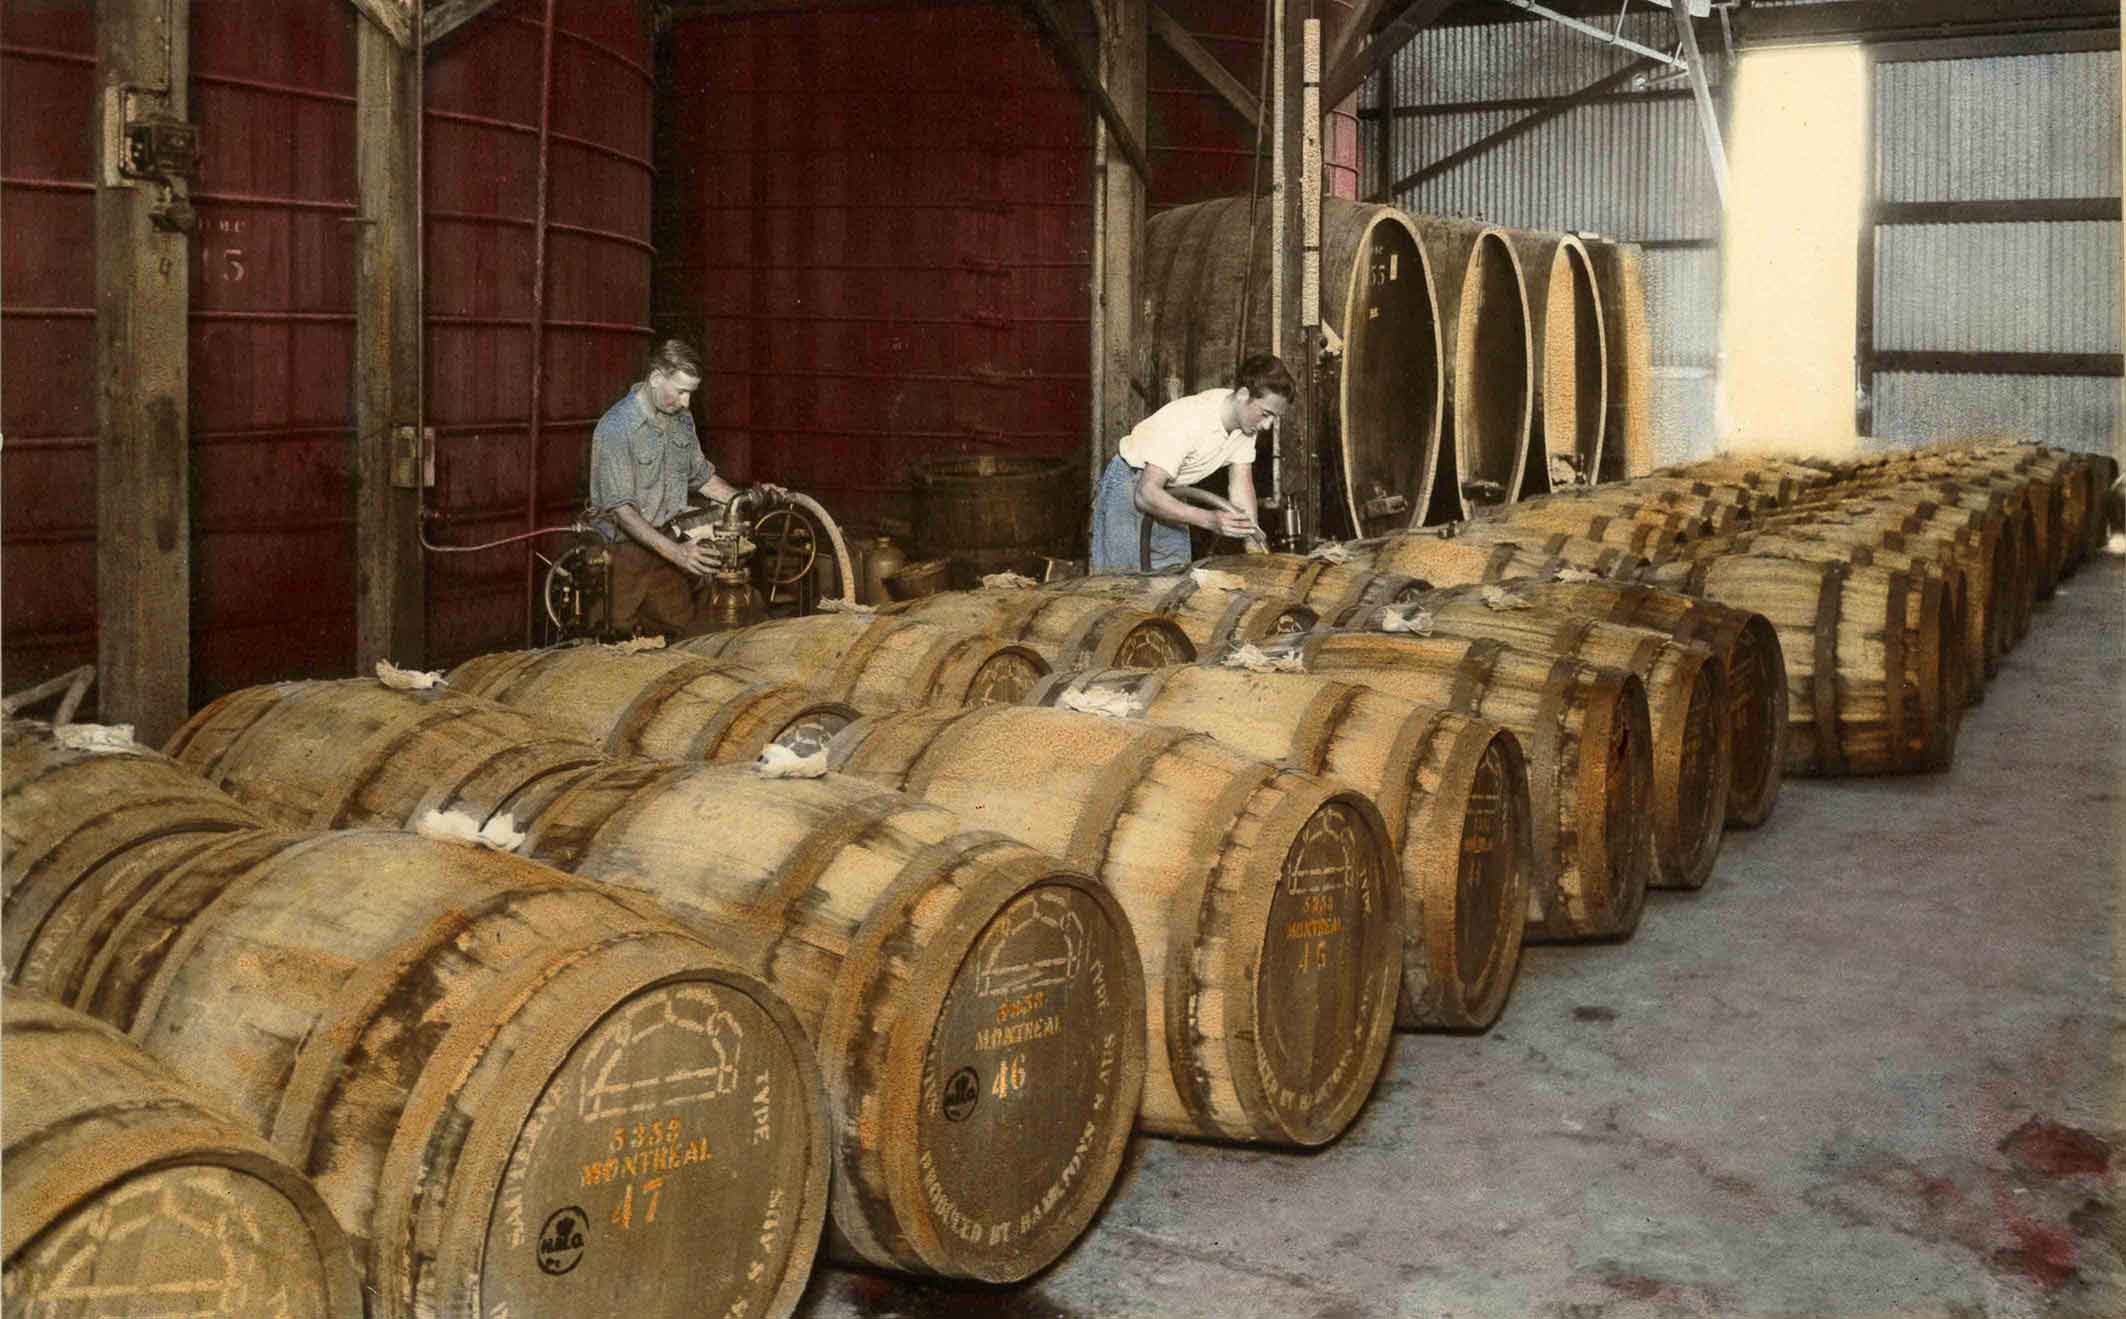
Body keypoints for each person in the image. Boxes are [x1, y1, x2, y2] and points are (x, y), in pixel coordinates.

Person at [585, 338, 777, 637]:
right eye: (681, 391)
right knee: (617, 644)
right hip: (621, 556)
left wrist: (743, 499)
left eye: (691, 393)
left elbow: (702, 478)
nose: (687, 402)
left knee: (688, 636)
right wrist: (679, 555)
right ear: (656, 378)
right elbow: (622, 512)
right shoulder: (616, 428)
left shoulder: (681, 420)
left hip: (663, 546)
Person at [1089, 353, 1293, 573]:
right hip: (1131, 485)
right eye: (1265, 414)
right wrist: (1209, 520)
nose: (1267, 426)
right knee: (1122, 586)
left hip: (1172, 490)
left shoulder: (1246, 425)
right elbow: (1145, 494)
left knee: (1175, 580)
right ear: (1244, 395)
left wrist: (1253, 544)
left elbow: (1241, 486)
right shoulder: (1191, 419)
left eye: (1273, 418)